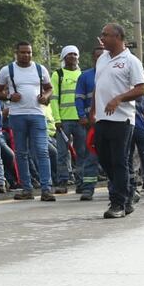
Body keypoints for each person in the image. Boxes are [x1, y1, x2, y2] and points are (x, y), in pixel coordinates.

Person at [92, 23, 144, 219]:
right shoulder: (102, 59)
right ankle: (127, 194)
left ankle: (118, 203)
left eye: (105, 35)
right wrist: (92, 111)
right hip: (101, 118)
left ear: (117, 37)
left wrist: (119, 99)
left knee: (119, 161)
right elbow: (98, 87)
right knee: (105, 160)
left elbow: (141, 89)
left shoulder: (131, 61)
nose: (102, 38)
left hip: (122, 119)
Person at [0, 41, 55, 201]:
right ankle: (27, 189)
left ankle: (46, 189)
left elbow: (49, 88)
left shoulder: (40, 69)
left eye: (29, 52)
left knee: (42, 151)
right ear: (16, 53)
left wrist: (45, 97)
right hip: (17, 116)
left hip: (38, 115)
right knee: (21, 153)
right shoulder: (7, 70)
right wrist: (8, 96)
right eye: (23, 52)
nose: (26, 55)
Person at [50, 45, 84, 194]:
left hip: (81, 121)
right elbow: (54, 98)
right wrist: (57, 119)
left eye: (75, 55)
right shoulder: (58, 74)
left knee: (81, 153)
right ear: (64, 57)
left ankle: (81, 182)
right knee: (62, 153)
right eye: (69, 55)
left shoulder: (82, 75)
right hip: (64, 121)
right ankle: (63, 182)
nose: (73, 57)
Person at [72, 46, 103, 200]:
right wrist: (82, 116)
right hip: (91, 124)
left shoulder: (113, 74)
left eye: (102, 56)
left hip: (110, 121)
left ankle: (116, 188)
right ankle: (88, 189)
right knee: (90, 156)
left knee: (112, 156)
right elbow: (79, 98)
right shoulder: (85, 76)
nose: (100, 58)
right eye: (97, 56)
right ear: (93, 58)